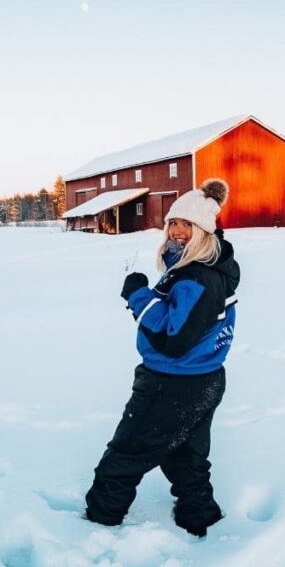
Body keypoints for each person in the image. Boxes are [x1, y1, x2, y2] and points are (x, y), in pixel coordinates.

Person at [85, 178, 240, 537]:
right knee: (186, 458)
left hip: (172, 382)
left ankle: (96, 528)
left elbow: (175, 339)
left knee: (125, 454)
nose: (178, 231)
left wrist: (138, 295)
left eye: (188, 224)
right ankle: (199, 519)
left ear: (205, 231)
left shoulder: (197, 277)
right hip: (202, 379)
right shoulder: (207, 267)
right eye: (173, 222)